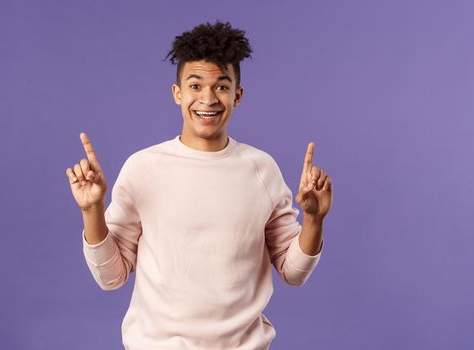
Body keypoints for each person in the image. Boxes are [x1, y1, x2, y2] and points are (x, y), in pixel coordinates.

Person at [66, 21, 333, 350]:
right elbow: (111, 277)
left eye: (221, 86)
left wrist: (314, 219)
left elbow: (293, 272)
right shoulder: (143, 168)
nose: (208, 98)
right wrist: (92, 209)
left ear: (238, 95)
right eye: (195, 86)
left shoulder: (261, 170)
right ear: (177, 93)